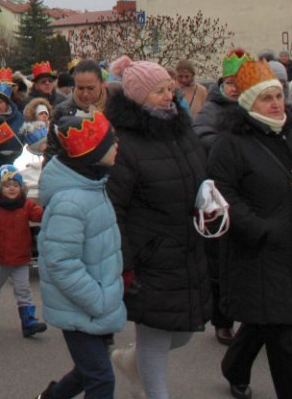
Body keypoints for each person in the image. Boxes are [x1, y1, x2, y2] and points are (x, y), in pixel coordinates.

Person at [105, 56, 210, 399]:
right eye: (159, 91)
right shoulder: (126, 142)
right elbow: (115, 207)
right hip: (149, 254)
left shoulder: (182, 128)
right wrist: (125, 262)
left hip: (187, 247)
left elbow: (200, 176)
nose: (169, 96)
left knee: (182, 332)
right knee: (154, 334)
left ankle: (130, 362)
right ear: (138, 97)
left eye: (170, 89)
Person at [209, 60, 292, 399]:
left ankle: (234, 367)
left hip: (287, 249)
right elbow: (223, 195)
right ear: (248, 104)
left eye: (279, 96)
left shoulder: (287, 133)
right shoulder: (230, 144)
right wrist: (260, 230)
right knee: (284, 330)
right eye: (266, 98)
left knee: (267, 320)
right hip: (258, 251)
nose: (276, 104)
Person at [35, 112, 126, 399]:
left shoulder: (93, 185)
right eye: (111, 143)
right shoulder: (70, 201)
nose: (117, 147)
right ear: (93, 153)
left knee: (88, 372)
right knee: (101, 379)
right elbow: (61, 262)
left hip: (95, 303)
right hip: (82, 305)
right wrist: (96, 299)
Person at [192, 48, 253, 347]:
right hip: (221, 194)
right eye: (231, 82)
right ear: (223, 83)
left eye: (241, 82)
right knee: (220, 262)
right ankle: (222, 320)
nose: (235, 87)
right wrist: (235, 148)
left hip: (255, 194)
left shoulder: (257, 107)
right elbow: (201, 134)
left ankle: (253, 316)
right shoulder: (213, 108)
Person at [0, 164, 46, 337]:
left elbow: (39, 216)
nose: (12, 189)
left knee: (24, 291)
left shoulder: (26, 205)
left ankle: (28, 322)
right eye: (7, 185)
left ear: (21, 188)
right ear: (0, 187)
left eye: (15, 186)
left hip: (21, 259)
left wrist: (49, 209)